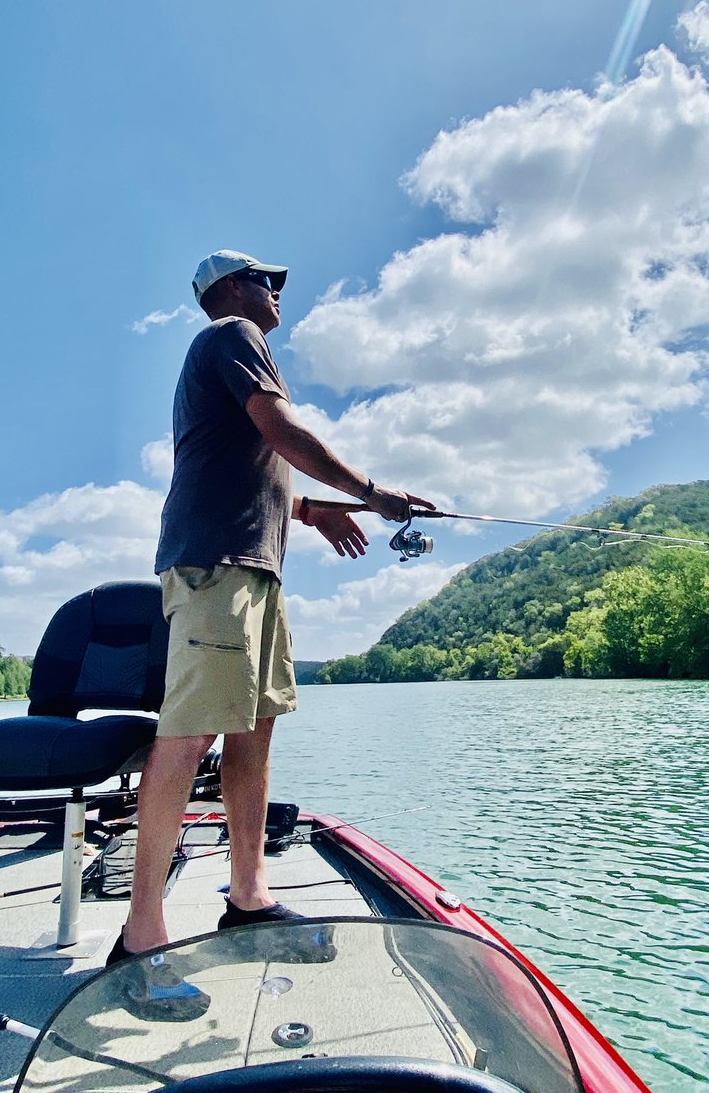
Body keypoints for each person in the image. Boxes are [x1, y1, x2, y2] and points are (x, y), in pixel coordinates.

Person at [108, 249, 434, 978]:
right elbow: (280, 431)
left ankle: (248, 894)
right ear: (228, 289)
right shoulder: (232, 337)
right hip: (216, 568)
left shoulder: (234, 352)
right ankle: (141, 935)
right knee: (189, 740)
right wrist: (374, 491)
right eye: (267, 279)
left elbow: (251, 462)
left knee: (254, 732)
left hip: (254, 572)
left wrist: (314, 510)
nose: (277, 291)